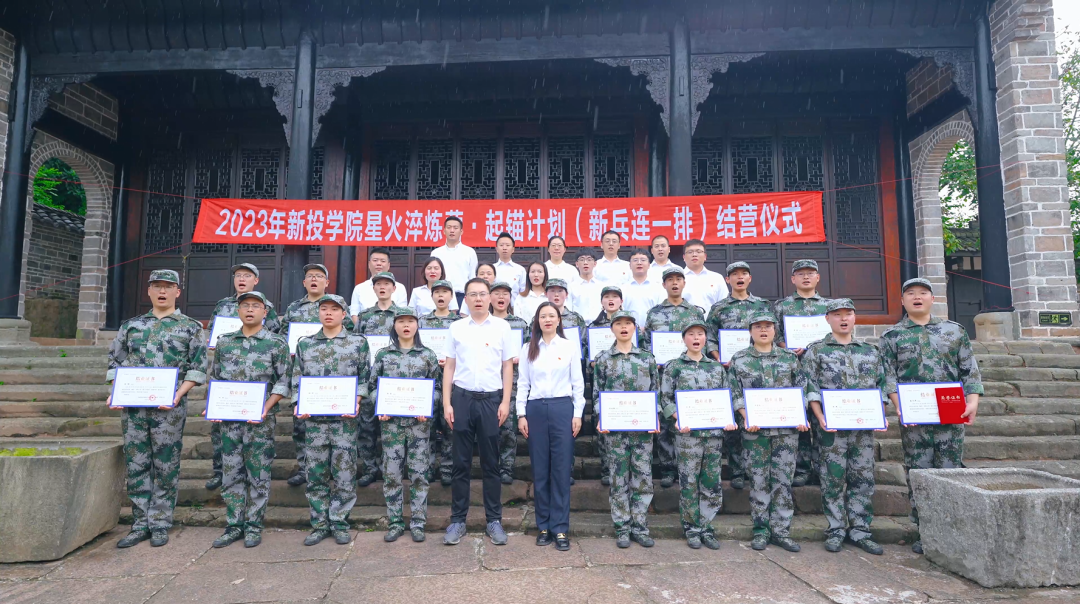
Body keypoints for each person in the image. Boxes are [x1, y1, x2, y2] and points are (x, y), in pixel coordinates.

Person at [880, 278, 983, 555]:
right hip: (915, 416)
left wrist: (972, 401)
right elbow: (888, 376)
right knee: (919, 470)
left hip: (950, 412)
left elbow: (969, 369)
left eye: (923, 293)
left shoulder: (954, 331)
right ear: (903, 301)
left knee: (950, 470)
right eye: (911, 293)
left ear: (932, 298)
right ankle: (924, 530)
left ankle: (952, 529)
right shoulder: (892, 336)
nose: (917, 297)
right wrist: (899, 405)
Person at [108, 270, 208, 549]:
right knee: (136, 463)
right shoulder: (132, 326)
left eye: (168, 286)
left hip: (169, 409)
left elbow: (198, 367)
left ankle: (161, 523)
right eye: (157, 286)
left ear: (178, 292)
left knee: (166, 464)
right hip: (134, 408)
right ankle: (140, 523)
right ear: (149, 291)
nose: (162, 291)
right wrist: (115, 392)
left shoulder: (190, 327)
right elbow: (115, 362)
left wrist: (178, 395)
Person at [802, 298, 887, 555]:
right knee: (833, 478)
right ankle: (836, 529)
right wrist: (820, 417)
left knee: (862, 477)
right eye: (837, 314)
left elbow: (881, 384)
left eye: (848, 314)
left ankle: (860, 530)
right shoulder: (816, 351)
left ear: (854, 317)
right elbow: (810, 386)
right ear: (827, 318)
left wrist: (881, 415)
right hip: (831, 428)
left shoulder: (870, 351)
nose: (843, 319)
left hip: (863, 428)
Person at [206, 291, 289, 549]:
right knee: (231, 472)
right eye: (245, 305)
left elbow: (284, 381)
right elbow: (216, 377)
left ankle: (253, 525)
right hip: (229, 421)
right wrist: (215, 405)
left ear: (265, 312)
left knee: (258, 473)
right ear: (238, 311)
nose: (250, 309)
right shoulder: (225, 342)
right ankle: (233, 524)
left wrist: (266, 407)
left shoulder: (276, 343)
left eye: (255, 306)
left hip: (260, 421)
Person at [442, 278, 518, 546]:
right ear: (465, 299)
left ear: (490, 298)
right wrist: (447, 403)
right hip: (462, 398)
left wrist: (505, 402)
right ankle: (457, 520)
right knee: (460, 463)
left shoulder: (502, 327)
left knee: (491, 463)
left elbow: (507, 366)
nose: (477, 299)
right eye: (472, 294)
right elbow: (449, 366)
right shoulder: (456, 327)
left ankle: (494, 520)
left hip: (491, 400)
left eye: (482, 294)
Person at [291, 294, 370, 546]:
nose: (328, 313)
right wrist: (298, 403)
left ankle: (339, 522)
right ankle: (319, 524)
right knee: (315, 473)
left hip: (344, 421)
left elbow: (365, 377)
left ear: (344, 314)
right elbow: (297, 377)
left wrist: (357, 399)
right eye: (323, 308)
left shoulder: (358, 343)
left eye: (334, 309)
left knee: (344, 473)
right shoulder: (306, 344)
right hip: (314, 421)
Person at [729, 312, 810, 553]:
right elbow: (734, 392)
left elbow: (802, 388)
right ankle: (761, 530)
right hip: (755, 432)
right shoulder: (739, 359)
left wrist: (801, 416)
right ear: (750, 331)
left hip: (786, 432)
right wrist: (747, 416)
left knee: (783, 481)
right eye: (758, 326)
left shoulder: (789, 358)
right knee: (759, 481)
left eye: (768, 326)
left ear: (775, 330)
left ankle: (782, 531)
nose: (763, 330)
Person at [205, 263, 281, 492]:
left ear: (255, 280)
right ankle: (219, 472)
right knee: (222, 439)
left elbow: (275, 333)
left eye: (247, 275)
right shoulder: (223, 306)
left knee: (258, 461)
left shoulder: (268, 311)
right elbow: (216, 368)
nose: (241, 279)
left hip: (258, 388)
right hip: (230, 388)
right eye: (238, 275)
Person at [659, 319, 735, 550]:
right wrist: (678, 418)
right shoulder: (674, 367)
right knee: (689, 482)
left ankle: (707, 527)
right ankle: (692, 528)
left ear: (706, 339)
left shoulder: (716, 368)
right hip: (687, 436)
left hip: (713, 435)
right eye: (691, 334)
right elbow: (665, 398)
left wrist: (728, 419)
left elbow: (726, 397)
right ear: (684, 339)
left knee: (711, 481)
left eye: (700, 334)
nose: (696, 338)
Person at [516, 302, 586, 551]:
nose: (547, 319)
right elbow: (523, 383)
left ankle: (560, 528)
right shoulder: (528, 348)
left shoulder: (568, 346)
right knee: (540, 469)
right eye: (543, 316)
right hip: (535, 409)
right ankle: (543, 526)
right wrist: (521, 414)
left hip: (562, 408)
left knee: (560, 470)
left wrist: (577, 414)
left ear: (558, 320)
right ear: (537, 321)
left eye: (551, 316)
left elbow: (578, 383)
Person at [371, 307, 441, 543]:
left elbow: (437, 389)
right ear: (394, 326)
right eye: (401, 321)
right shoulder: (383, 355)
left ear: (417, 325)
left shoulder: (427, 355)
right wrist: (380, 406)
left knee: (419, 475)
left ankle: (418, 522)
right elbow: (372, 387)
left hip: (418, 427)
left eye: (411, 321)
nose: (406, 325)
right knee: (392, 475)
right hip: (391, 426)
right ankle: (395, 522)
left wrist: (426, 406)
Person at [593, 311, 660, 548]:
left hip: (642, 430)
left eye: (628, 323)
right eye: (619, 324)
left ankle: (640, 527)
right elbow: (597, 392)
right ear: (612, 329)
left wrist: (655, 417)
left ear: (635, 328)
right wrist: (601, 417)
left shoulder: (647, 359)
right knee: (618, 478)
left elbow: (655, 391)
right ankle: (622, 527)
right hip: (616, 431)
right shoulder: (603, 359)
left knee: (642, 478)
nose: (623, 327)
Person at [704, 262, 772, 491]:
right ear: (728, 280)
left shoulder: (762, 305)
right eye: (734, 274)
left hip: (760, 369)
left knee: (759, 417)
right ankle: (737, 471)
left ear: (750, 278)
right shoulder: (719, 308)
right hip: (729, 369)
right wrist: (718, 357)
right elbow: (710, 336)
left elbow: (773, 332)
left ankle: (758, 469)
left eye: (744, 274)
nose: (739, 277)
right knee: (734, 421)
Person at [642, 266, 706, 489]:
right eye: (670, 280)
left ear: (684, 283)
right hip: (663, 374)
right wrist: (653, 359)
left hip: (691, 373)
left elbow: (703, 339)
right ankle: (668, 468)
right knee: (667, 421)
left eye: (679, 279)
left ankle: (691, 467)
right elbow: (646, 343)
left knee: (692, 417)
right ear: (664, 285)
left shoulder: (696, 312)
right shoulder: (654, 313)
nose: (675, 283)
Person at [773, 259, 831, 488]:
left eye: (810, 273)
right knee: (800, 421)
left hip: (824, 372)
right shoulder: (782, 306)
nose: (806, 277)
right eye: (800, 274)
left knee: (823, 421)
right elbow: (774, 334)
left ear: (818, 277)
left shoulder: (828, 306)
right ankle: (802, 468)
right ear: (793, 279)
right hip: (792, 371)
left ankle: (822, 469)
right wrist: (785, 346)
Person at [355, 271, 408, 487]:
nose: (383, 287)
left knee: (393, 429)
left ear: (394, 288)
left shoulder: (403, 315)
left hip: (395, 379)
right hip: (370, 380)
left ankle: (392, 469)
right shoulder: (365, 316)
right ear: (374, 288)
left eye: (387, 284)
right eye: (379, 284)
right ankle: (370, 468)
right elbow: (358, 345)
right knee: (366, 428)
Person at [419, 279, 463, 486]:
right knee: (426, 427)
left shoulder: (459, 323)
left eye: (445, 292)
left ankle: (447, 469)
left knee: (449, 427)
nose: (441, 295)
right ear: (432, 296)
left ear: (451, 296)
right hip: (426, 381)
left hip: (452, 383)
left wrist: (452, 361)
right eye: (437, 292)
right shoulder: (421, 322)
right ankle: (427, 468)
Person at [545, 277, 589, 485]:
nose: (556, 294)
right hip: (546, 377)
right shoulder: (540, 317)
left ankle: (566, 470)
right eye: (552, 291)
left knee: (567, 429)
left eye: (560, 291)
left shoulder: (576, 319)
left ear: (566, 295)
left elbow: (584, 344)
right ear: (546, 294)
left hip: (569, 374)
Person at [490, 281, 530, 486]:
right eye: (496, 293)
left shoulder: (520, 324)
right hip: (487, 381)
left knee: (508, 428)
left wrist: (521, 357)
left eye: (505, 294)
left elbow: (531, 351)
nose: (501, 297)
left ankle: (506, 467)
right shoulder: (483, 323)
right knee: (488, 428)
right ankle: (490, 467)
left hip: (512, 382)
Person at [587, 285, 626, 486]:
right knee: (604, 425)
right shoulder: (593, 327)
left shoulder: (630, 324)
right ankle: (606, 469)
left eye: (615, 297)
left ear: (621, 301)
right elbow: (585, 351)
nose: (611, 300)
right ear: (601, 302)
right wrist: (591, 362)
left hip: (628, 381)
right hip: (605, 379)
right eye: (607, 297)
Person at [350, 247, 408, 324]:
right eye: (375, 260)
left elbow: (402, 314)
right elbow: (354, 314)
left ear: (388, 265)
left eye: (383, 261)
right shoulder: (359, 288)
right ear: (369, 264)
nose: (379, 263)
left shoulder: (400, 288)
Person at [431, 215, 478, 306]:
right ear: (444, 231)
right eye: (449, 227)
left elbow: (473, 277)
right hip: (441, 296)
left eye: (455, 228)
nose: (452, 230)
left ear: (461, 231)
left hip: (462, 296)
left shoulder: (470, 252)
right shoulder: (436, 253)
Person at [680, 239, 728, 313]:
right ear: (684, 257)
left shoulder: (717, 278)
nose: (694, 254)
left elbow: (724, 305)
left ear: (705, 256)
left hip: (711, 320)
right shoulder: (677, 279)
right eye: (690, 252)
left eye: (698, 251)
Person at [623, 248, 666, 324]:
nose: (639, 263)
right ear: (630, 265)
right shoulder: (623, 289)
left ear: (649, 265)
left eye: (643, 260)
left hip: (652, 329)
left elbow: (662, 312)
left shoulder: (658, 288)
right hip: (628, 329)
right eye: (635, 260)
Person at [571, 250, 604, 319]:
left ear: (595, 264)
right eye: (582, 260)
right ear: (577, 264)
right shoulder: (571, 287)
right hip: (578, 324)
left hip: (599, 323)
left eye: (589, 260)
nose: (585, 263)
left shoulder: (602, 286)